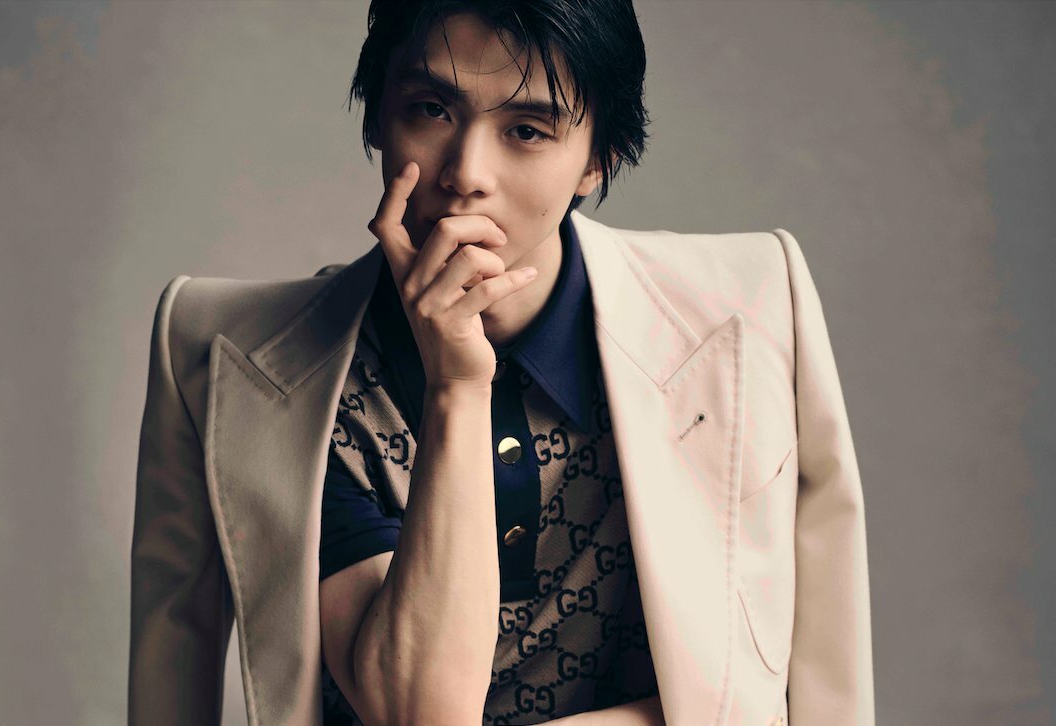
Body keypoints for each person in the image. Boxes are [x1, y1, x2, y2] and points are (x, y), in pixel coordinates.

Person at [128, 2, 874, 725]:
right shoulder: (250, 362)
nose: (466, 173)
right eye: (430, 110)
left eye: (526, 130)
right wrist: (456, 388)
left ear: (599, 159)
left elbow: (804, 673)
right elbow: (419, 715)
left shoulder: (746, 307)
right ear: (378, 114)